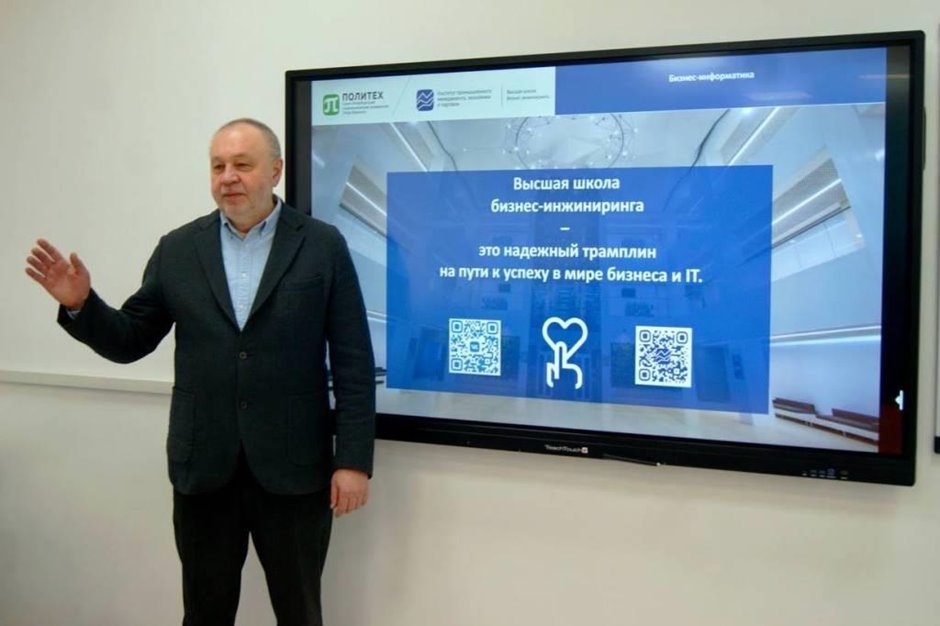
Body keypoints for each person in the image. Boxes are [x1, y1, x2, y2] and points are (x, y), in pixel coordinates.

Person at [24, 118, 376, 626]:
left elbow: (353, 361)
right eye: (218, 166)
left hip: (295, 470)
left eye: (242, 164)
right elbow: (131, 339)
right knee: (204, 614)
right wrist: (82, 305)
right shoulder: (178, 249)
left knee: (300, 612)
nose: (228, 177)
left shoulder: (322, 245)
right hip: (205, 470)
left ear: (275, 170)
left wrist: (353, 461)